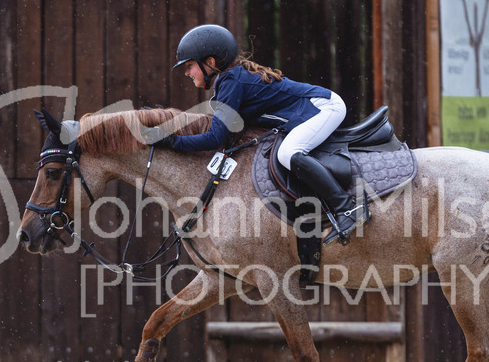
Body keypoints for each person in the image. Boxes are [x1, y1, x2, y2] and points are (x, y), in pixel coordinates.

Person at [140, 24, 366, 245]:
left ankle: (347, 208)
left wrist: (170, 140)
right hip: (314, 107)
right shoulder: (229, 80)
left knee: (288, 153)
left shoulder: (231, 82)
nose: (187, 73)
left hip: (324, 107)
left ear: (210, 62)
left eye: (190, 65)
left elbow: (214, 138)